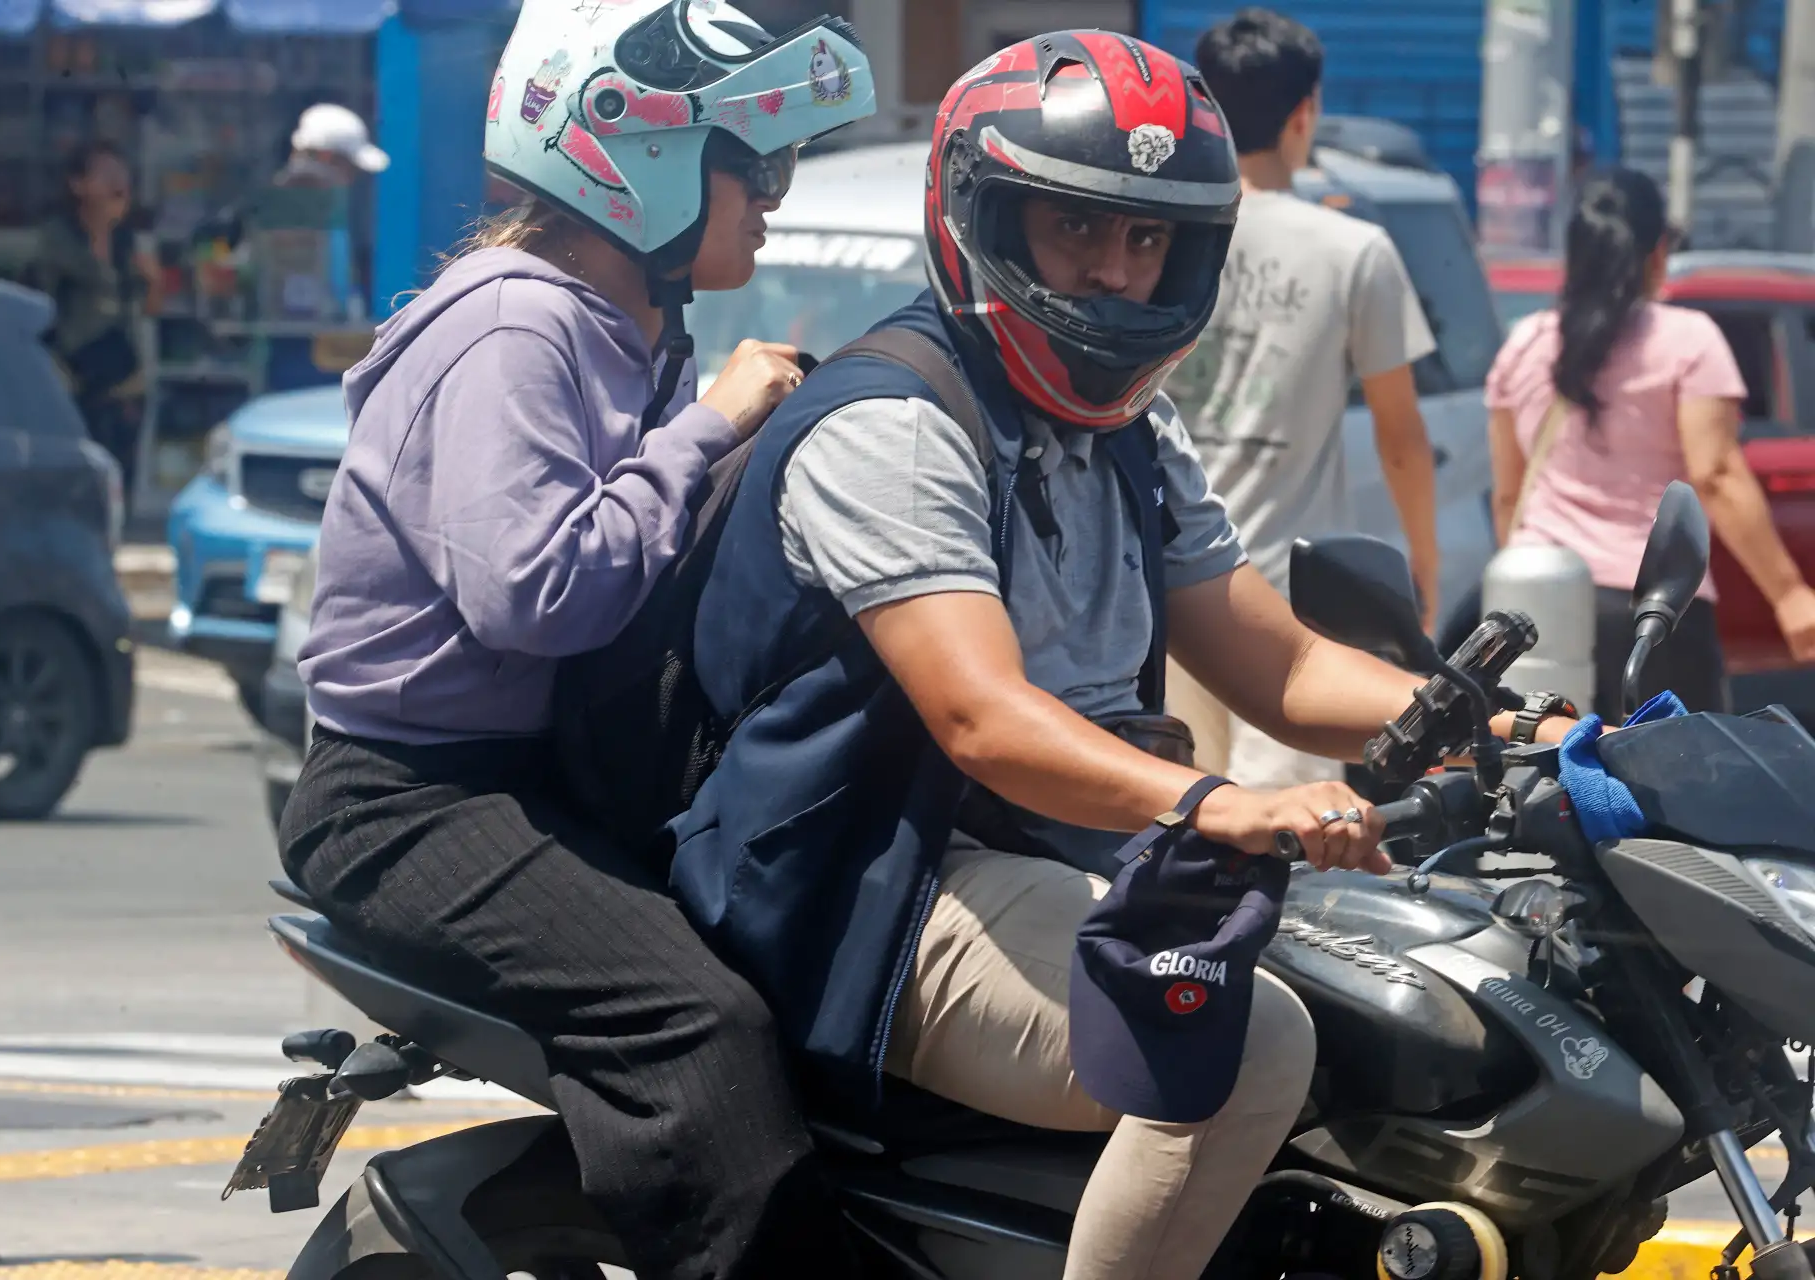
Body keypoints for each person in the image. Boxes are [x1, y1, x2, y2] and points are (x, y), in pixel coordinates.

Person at [667, 32, 1582, 1280]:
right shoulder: (897, 422)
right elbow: (982, 716)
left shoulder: (1134, 434)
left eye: (1145, 239)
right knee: (1249, 1040)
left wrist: (1526, 732)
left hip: (1071, 851)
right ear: (983, 220)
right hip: (880, 883)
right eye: (1074, 229)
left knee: (1425, 982)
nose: (1112, 273)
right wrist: (1225, 802)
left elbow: (1279, 666)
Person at [277, 3, 877, 1278]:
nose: (771, 196)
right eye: (750, 164)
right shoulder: (515, 324)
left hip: (543, 767)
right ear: (640, 153)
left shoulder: (632, 330)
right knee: (694, 1024)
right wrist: (707, 431)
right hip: (405, 798)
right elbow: (534, 593)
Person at [1162, 8, 1440, 789]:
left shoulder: (1161, 234)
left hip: (1160, 586)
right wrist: (1421, 567)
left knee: (1171, 826)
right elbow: (1400, 436)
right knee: (1289, 854)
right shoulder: (1354, 251)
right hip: (1289, 606)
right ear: (1304, 113)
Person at [1487, 167, 1815, 722]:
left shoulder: (1525, 344)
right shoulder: (1688, 339)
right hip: (1656, 614)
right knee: (1678, 795)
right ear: (1658, 250)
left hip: (1538, 608)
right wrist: (1788, 594)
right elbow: (1714, 475)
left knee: (1542, 791)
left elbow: (1506, 497)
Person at [28, 142, 150, 484]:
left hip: (121, 378)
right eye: (108, 176)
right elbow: (40, 307)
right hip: (74, 376)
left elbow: (146, 307)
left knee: (120, 471)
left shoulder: (127, 243)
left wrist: (152, 279)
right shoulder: (56, 240)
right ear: (78, 185)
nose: (118, 186)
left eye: (123, 177)